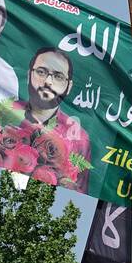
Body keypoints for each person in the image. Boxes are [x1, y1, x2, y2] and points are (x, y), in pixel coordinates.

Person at [6, 47, 91, 189]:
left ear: (68, 87)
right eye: (41, 72)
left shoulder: (80, 139)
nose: (48, 81)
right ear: (28, 75)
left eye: (58, 76)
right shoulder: (3, 113)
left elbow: (77, 192)